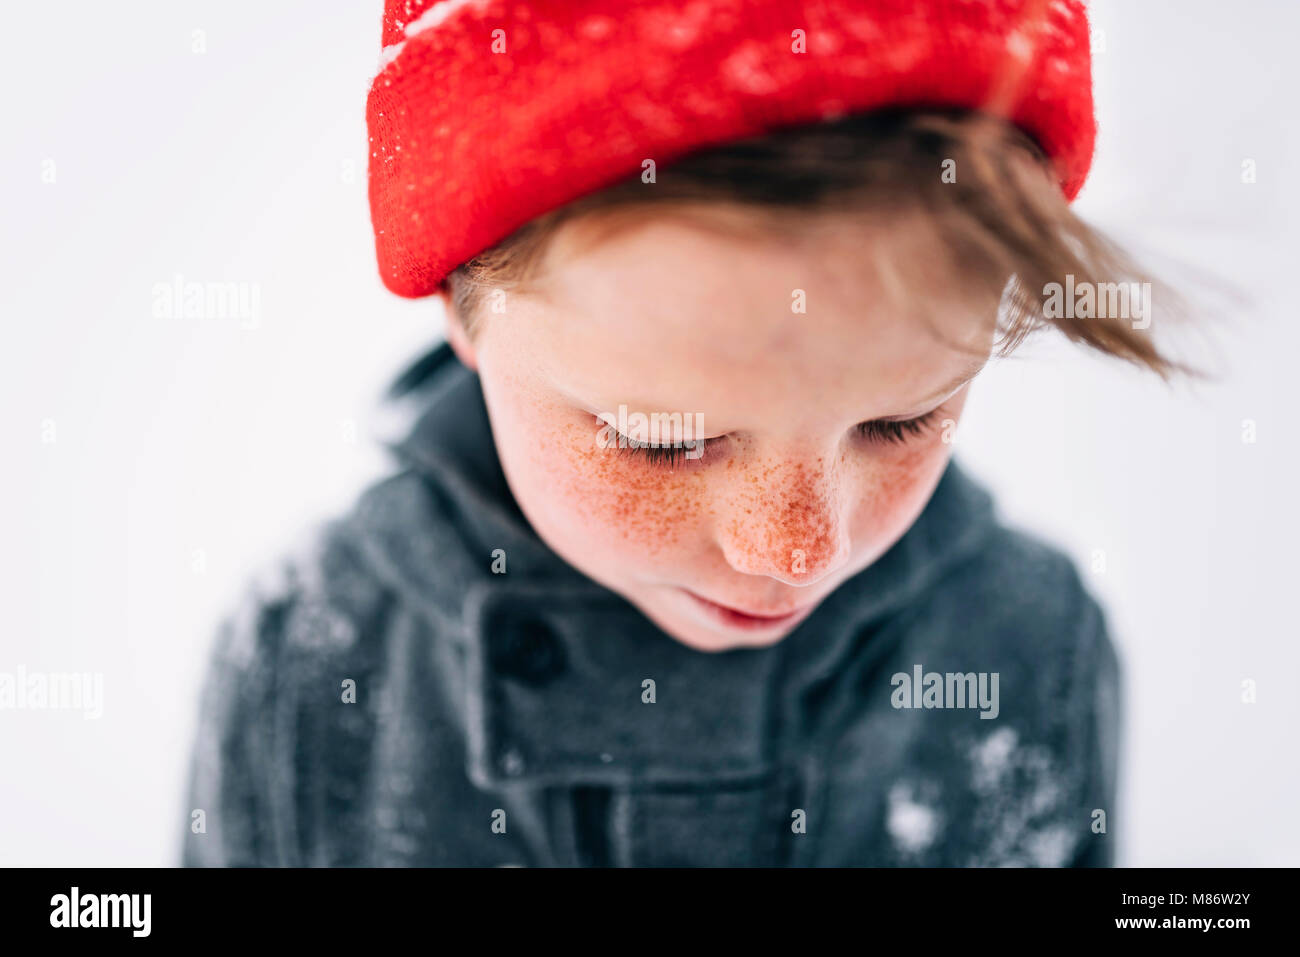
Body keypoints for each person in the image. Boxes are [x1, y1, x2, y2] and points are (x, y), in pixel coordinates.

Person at [182, 0, 1192, 867]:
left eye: (901, 419)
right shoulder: (314, 661)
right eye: (663, 440)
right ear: (462, 302)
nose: (798, 549)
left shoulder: (1028, 644)